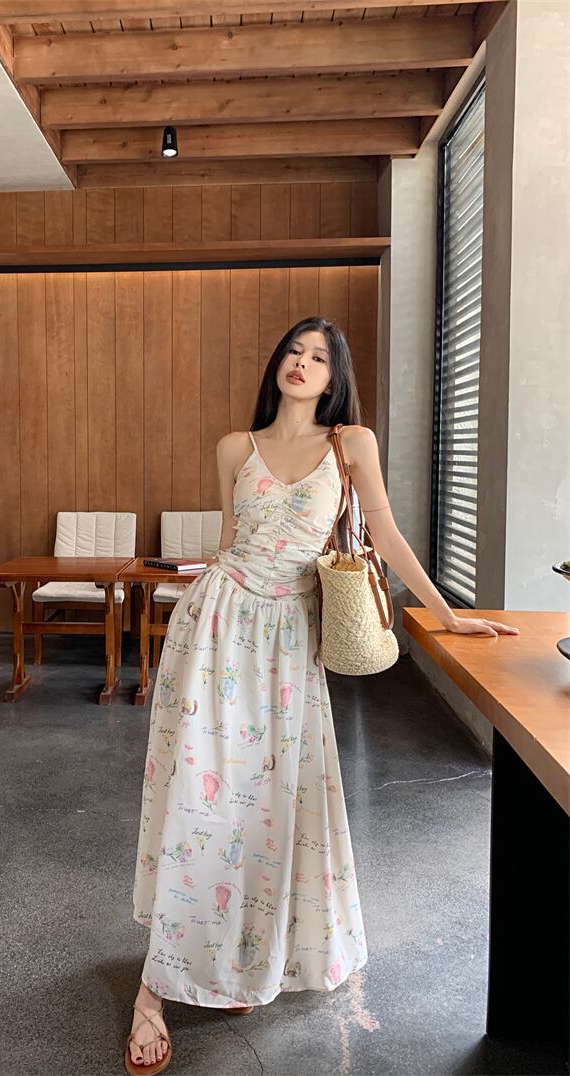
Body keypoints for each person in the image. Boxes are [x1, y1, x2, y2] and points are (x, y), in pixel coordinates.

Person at [124, 317, 519, 1074]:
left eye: (318, 358)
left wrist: (448, 616)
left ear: (335, 378)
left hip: (287, 643)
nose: (302, 364)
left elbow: (387, 538)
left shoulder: (351, 443)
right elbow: (229, 542)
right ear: (277, 364)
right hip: (215, 629)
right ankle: (154, 989)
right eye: (293, 353)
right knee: (202, 803)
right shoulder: (234, 448)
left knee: (274, 804)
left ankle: (241, 954)